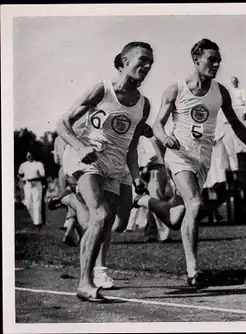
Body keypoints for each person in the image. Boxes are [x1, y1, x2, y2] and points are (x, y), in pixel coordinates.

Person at [133, 38, 246, 288]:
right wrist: (166, 138)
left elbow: (237, 125)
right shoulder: (176, 89)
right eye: (211, 59)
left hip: (202, 160)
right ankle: (193, 271)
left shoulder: (221, 92)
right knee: (195, 203)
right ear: (196, 60)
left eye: (219, 60)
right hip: (179, 156)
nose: (216, 64)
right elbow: (157, 126)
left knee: (176, 219)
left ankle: (143, 200)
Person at [56, 41, 154, 302]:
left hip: (116, 165)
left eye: (150, 63)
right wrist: (79, 146)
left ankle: (73, 204)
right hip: (88, 158)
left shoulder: (144, 105)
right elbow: (62, 123)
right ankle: (84, 283)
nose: (146, 66)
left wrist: (135, 176)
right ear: (123, 62)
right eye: (142, 60)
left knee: (110, 224)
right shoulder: (103, 89)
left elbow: (132, 147)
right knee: (100, 215)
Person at [17, 152, 46, 227]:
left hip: (36, 184)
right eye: (28, 156)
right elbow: (19, 174)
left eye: (31, 155)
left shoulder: (38, 164)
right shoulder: (23, 165)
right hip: (27, 185)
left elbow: (43, 175)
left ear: (34, 155)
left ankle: (37, 223)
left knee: (37, 203)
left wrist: (34, 179)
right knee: (28, 204)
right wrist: (22, 180)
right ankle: (35, 220)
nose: (29, 157)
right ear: (26, 156)